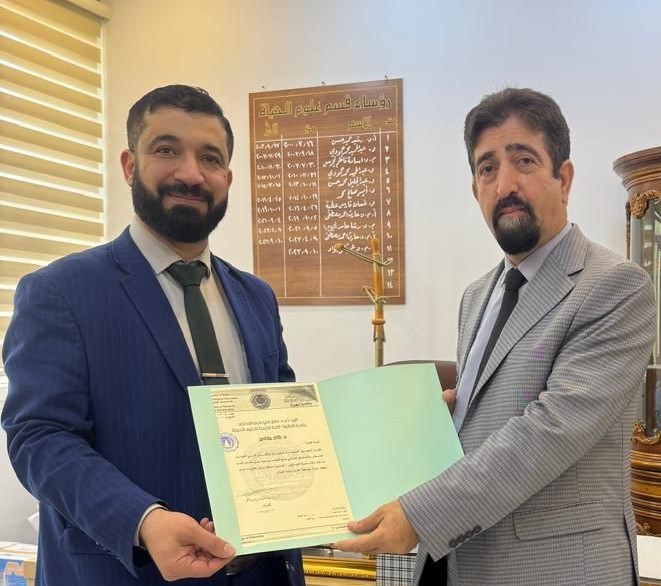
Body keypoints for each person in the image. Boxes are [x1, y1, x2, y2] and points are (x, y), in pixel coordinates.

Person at [335, 87, 656, 586]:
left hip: (556, 571)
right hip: (458, 559)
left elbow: (549, 431)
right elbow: (489, 415)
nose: (505, 184)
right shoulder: (476, 296)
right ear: (475, 189)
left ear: (564, 178)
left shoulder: (615, 287)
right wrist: (441, 420)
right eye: (487, 168)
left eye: (524, 161)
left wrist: (418, 515)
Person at [2, 85, 304, 585]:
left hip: (259, 573)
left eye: (210, 158)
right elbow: (40, 438)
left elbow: (284, 421)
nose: (191, 173)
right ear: (129, 165)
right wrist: (144, 521)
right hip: (127, 571)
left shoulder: (257, 297)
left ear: (227, 178)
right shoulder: (60, 291)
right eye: (167, 150)